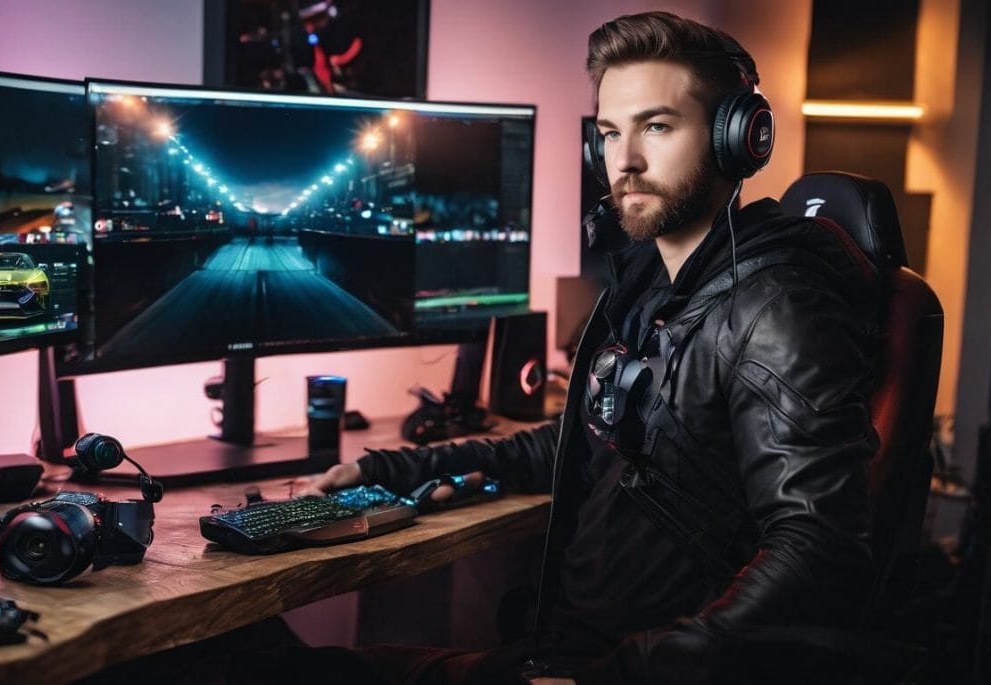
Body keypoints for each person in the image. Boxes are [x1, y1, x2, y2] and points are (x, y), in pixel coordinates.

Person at [275, 11, 882, 684]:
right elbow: (573, 442)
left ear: (735, 138)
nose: (622, 161)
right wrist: (391, 469)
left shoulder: (775, 304)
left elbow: (817, 549)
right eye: (608, 133)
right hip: (566, 651)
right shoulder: (653, 283)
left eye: (656, 126)